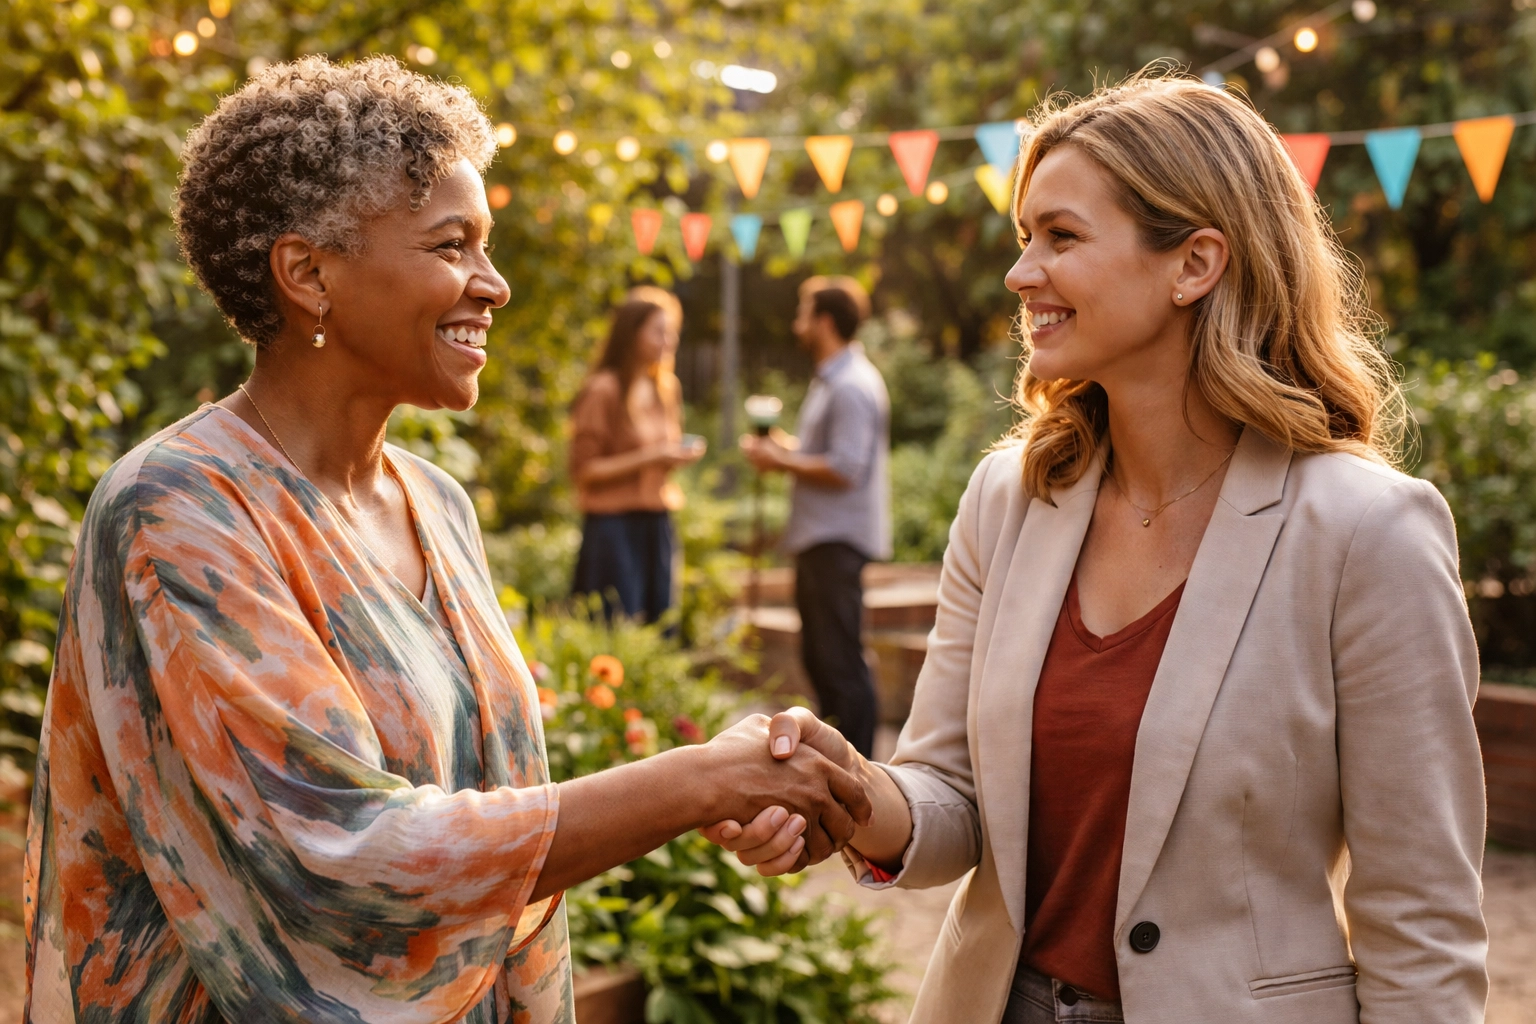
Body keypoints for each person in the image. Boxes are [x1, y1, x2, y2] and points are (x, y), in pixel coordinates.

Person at [23, 56, 869, 1023]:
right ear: (307, 274)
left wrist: (699, 793)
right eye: (451, 244)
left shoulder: (436, 502)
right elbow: (342, 858)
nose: (493, 284)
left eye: (486, 245)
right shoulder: (177, 510)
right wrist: (697, 777)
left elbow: (490, 798)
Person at [708, 72, 1488, 1023]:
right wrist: (842, 786)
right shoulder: (1010, 497)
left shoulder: (1370, 532)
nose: (1020, 272)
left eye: (1062, 237)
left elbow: (1423, 923)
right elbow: (949, 797)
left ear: (1194, 264)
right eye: (1024, 237)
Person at [741, 277, 891, 758]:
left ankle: (860, 769)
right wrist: (783, 450)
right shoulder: (833, 379)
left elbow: (847, 467)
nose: (797, 324)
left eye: (804, 313)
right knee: (822, 657)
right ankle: (839, 759)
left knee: (839, 659)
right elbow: (823, 455)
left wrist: (780, 460)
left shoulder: (850, 385)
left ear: (825, 322)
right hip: (820, 538)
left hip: (836, 540)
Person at [569, 293, 703, 622]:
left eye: (671, 331)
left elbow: (661, 454)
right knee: (616, 622)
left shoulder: (666, 388)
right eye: (658, 331)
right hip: (612, 526)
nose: (668, 340)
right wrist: (651, 457)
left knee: (660, 622)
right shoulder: (604, 390)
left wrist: (674, 457)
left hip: (657, 521)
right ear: (632, 334)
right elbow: (583, 470)